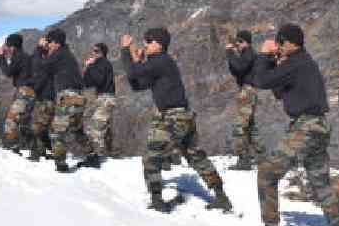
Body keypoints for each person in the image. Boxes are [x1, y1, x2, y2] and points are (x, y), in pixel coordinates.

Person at [241, 24, 339, 226]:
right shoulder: (302, 63)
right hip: (317, 127)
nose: (279, 46)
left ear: (291, 43)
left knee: (267, 173)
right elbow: (279, 91)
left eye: (281, 42)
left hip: (307, 127)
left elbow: (260, 81)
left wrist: (263, 55)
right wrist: (274, 62)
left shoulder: (297, 62)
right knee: (320, 183)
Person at [120, 27, 232, 213]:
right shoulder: (158, 64)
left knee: (151, 156)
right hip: (180, 116)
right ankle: (221, 197)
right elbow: (137, 85)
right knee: (195, 155)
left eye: (149, 41)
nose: (145, 44)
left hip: (173, 117)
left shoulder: (161, 61)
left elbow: (133, 73)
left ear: (159, 44)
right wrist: (138, 61)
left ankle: (157, 201)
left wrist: (126, 50)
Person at [40, 29, 91, 173]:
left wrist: (40, 49)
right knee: (76, 129)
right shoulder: (66, 54)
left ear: (56, 43)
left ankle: (61, 165)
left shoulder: (59, 54)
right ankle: (92, 155)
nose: (48, 45)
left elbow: (43, 66)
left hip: (68, 96)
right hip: (79, 96)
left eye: (49, 42)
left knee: (57, 132)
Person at [226, 30, 261, 170]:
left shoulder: (249, 53)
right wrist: (233, 56)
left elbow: (239, 67)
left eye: (239, 42)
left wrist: (230, 53)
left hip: (247, 91)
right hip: (248, 90)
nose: (237, 45)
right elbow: (236, 70)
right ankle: (260, 155)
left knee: (240, 125)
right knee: (251, 126)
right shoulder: (246, 54)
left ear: (245, 42)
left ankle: (244, 159)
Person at [0, 33, 35, 155]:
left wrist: (1, 57)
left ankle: (14, 150)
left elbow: (8, 72)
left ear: (13, 46)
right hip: (28, 92)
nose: (6, 48)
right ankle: (38, 149)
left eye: (8, 45)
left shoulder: (18, 57)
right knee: (23, 124)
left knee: (10, 122)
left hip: (24, 92)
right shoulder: (25, 56)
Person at [82, 42, 116, 168]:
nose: (93, 53)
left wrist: (90, 67)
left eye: (96, 51)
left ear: (102, 52)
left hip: (106, 98)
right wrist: (87, 68)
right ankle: (97, 156)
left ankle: (95, 159)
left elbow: (98, 80)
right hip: (102, 98)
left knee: (96, 128)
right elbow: (87, 82)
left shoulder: (103, 63)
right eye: (93, 50)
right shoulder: (97, 64)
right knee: (97, 127)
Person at [29, 37, 55, 161]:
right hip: (44, 97)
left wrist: (39, 48)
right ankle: (44, 151)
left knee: (37, 128)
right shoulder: (44, 57)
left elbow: (37, 65)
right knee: (42, 128)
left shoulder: (50, 58)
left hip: (48, 97)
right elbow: (34, 62)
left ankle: (36, 155)